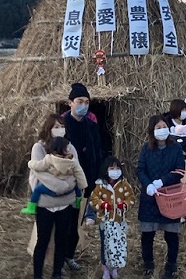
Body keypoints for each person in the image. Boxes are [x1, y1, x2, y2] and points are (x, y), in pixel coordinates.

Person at [28, 113, 78, 279]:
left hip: (64, 202)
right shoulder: (39, 148)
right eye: (56, 127)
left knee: (61, 239)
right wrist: (61, 186)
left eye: (62, 126)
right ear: (48, 129)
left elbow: (75, 170)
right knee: (42, 241)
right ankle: (38, 274)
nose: (60, 130)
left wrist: (68, 185)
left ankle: (57, 272)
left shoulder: (69, 147)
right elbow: (41, 173)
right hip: (46, 202)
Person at [137, 115, 185, 279]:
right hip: (150, 198)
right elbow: (141, 169)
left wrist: (162, 182)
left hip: (170, 196)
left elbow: (180, 171)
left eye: (164, 126)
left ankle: (171, 267)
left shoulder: (176, 148)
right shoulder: (146, 148)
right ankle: (148, 266)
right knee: (147, 236)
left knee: (171, 236)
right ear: (152, 131)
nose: (161, 129)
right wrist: (148, 184)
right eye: (158, 127)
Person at [63, 83, 102, 268]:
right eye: (80, 101)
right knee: (64, 221)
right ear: (70, 103)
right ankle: (58, 258)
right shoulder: (62, 125)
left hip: (85, 182)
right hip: (66, 182)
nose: (84, 105)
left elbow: (97, 151)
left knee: (76, 220)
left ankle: (69, 255)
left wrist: (96, 176)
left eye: (87, 102)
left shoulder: (91, 125)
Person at [89, 156, 135, 279]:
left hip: (119, 220)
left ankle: (115, 268)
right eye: (111, 168)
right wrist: (102, 204)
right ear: (106, 170)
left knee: (118, 244)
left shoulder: (124, 184)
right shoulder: (100, 185)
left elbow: (131, 197)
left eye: (117, 168)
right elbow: (93, 199)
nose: (115, 171)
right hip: (105, 221)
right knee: (105, 244)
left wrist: (124, 204)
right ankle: (105, 269)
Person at [21, 136, 87, 215]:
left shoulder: (49, 159)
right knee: (76, 187)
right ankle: (78, 201)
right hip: (69, 190)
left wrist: (31, 163)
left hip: (51, 189)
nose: (69, 149)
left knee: (37, 190)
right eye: (67, 147)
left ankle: (31, 207)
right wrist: (83, 185)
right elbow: (79, 173)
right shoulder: (72, 161)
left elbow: (39, 166)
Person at [163, 99, 186, 231]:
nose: (184, 113)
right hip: (172, 161)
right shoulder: (166, 122)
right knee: (174, 188)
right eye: (182, 110)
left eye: (185, 110)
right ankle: (175, 217)